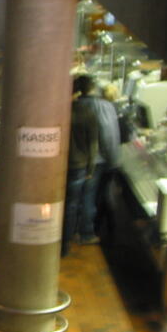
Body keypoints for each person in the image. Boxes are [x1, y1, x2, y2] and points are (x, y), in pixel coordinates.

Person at [62, 74, 100, 256]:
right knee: (72, 205)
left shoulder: (60, 111)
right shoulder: (88, 114)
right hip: (79, 165)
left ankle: (57, 240)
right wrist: (91, 168)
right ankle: (65, 243)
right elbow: (93, 143)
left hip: (59, 164)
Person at [90, 81, 123, 235]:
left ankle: (97, 228)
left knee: (96, 195)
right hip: (103, 160)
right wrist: (113, 160)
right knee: (100, 195)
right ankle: (101, 229)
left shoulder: (97, 106)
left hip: (98, 160)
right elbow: (109, 136)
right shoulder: (106, 108)